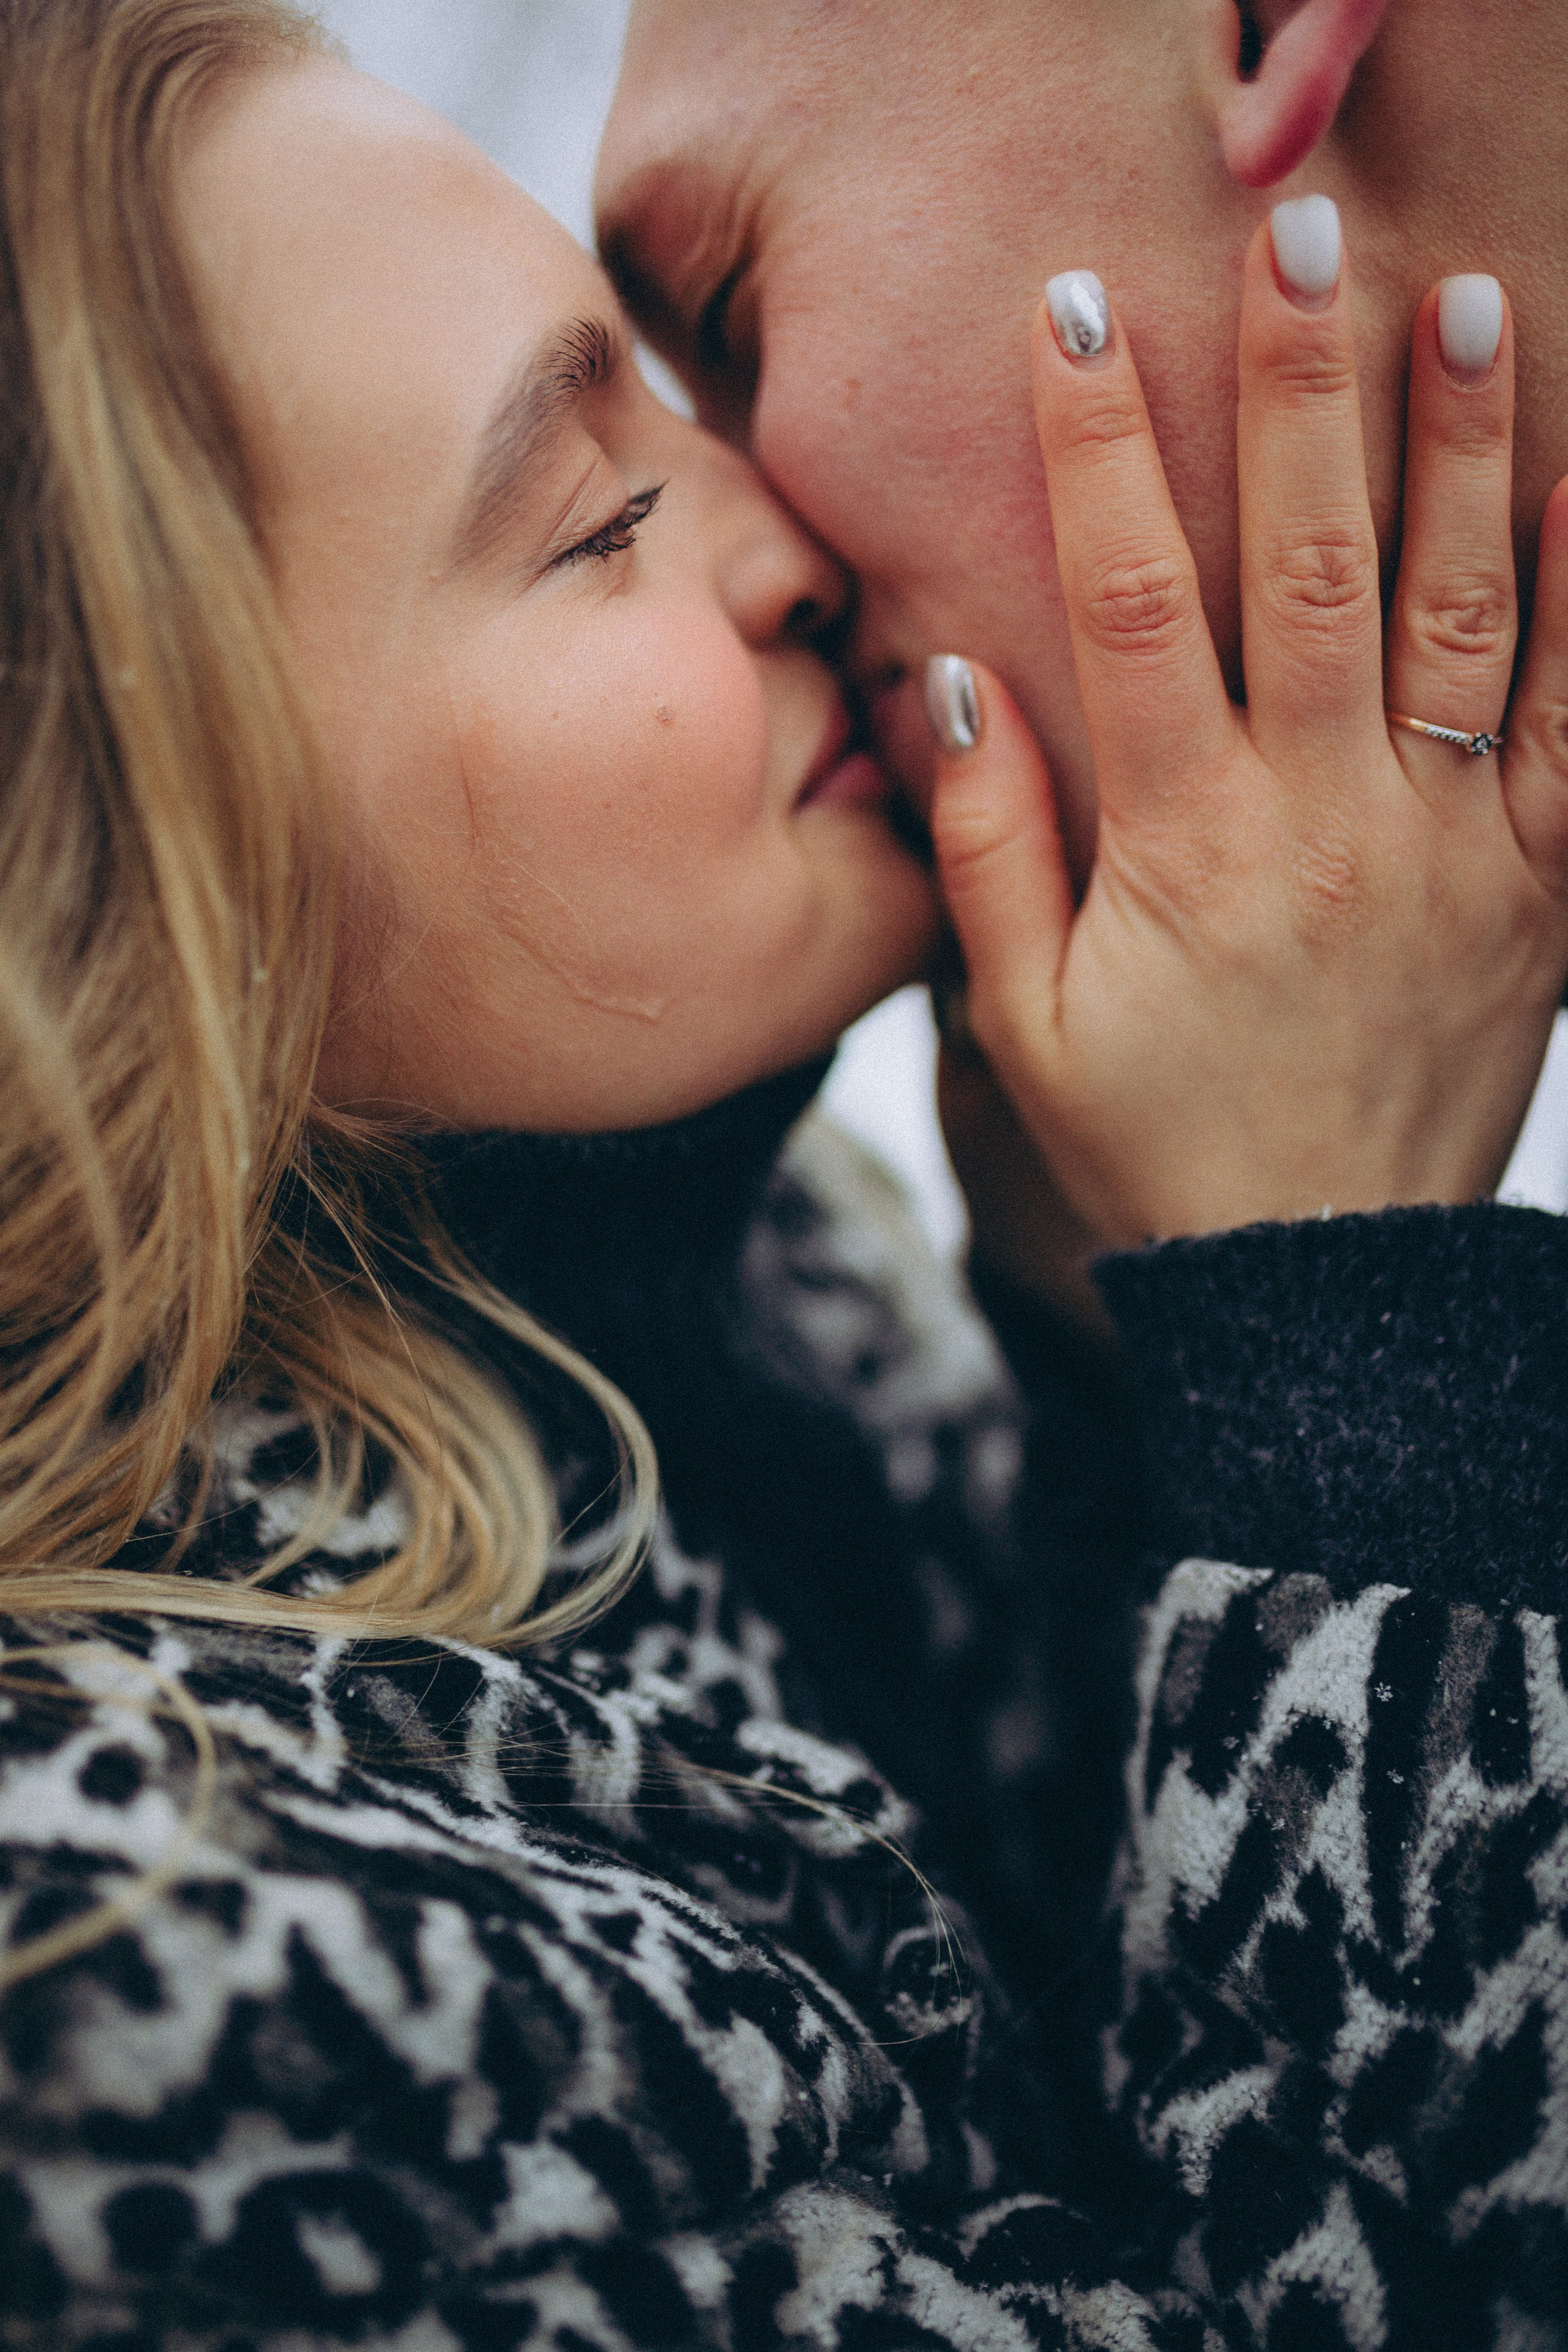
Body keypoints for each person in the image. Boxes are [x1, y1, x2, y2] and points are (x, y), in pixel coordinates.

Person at [1, 8, 1566, 2352]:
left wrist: (1107, 1340)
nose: (791, 538)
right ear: (139, 921)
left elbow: (1117, 2055)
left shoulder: (772, 1307)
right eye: (602, 516)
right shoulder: (118, 1955)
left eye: (681, 371)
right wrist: (1339, 1372)